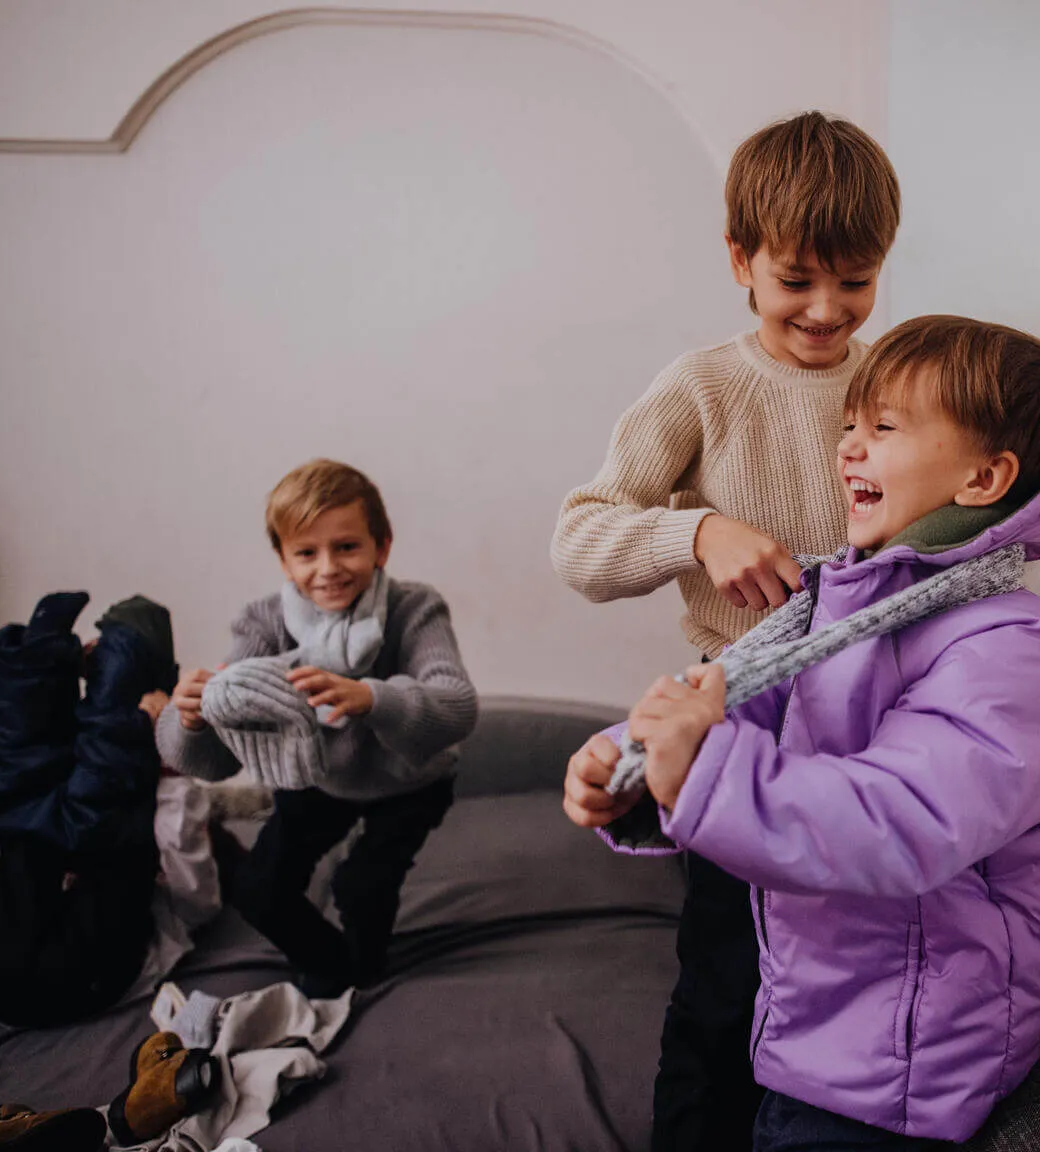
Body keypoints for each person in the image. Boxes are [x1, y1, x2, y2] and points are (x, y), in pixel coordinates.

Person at [566, 316, 1040, 1148]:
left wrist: (701, 767)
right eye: (850, 424)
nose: (847, 447)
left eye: (883, 429)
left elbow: (901, 817)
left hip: (911, 1055)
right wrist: (632, 769)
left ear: (985, 478)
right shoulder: (841, 604)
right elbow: (745, 708)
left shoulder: (1008, 645)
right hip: (819, 1021)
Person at [551, 111, 901, 1151]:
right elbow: (579, 542)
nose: (827, 311)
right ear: (740, 260)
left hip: (871, 726)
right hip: (736, 725)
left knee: (844, 981)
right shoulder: (699, 389)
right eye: (797, 279)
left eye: (857, 280)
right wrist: (696, 531)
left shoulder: (898, 387)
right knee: (724, 982)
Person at [157, 459, 477, 995]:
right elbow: (217, 759)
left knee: (361, 888)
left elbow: (456, 705)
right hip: (318, 776)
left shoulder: (414, 607)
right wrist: (191, 715)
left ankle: (369, 969)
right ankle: (337, 966)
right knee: (259, 889)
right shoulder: (263, 622)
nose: (328, 568)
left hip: (410, 781)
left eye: (347, 547)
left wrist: (372, 697)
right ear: (283, 560)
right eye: (306, 552)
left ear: (383, 547)